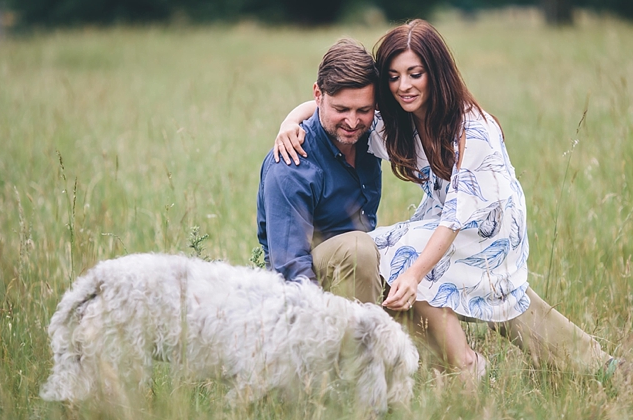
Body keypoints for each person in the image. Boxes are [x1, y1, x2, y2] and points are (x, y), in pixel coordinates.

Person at [274, 20, 616, 382]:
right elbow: (335, 105)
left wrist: (415, 274)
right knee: (508, 300)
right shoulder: (401, 123)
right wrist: (290, 121)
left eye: (414, 73)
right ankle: (604, 368)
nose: (403, 86)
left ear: (435, 73)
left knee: (403, 263)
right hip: (444, 223)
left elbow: (457, 217)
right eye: (393, 76)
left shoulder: (475, 128)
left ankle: (461, 365)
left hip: (490, 228)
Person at [256, 39, 384, 304]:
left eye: (364, 110)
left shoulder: (371, 137)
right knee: (359, 249)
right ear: (318, 95)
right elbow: (290, 269)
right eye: (341, 109)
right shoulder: (291, 164)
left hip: (364, 274)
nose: (352, 122)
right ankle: (361, 341)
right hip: (308, 293)